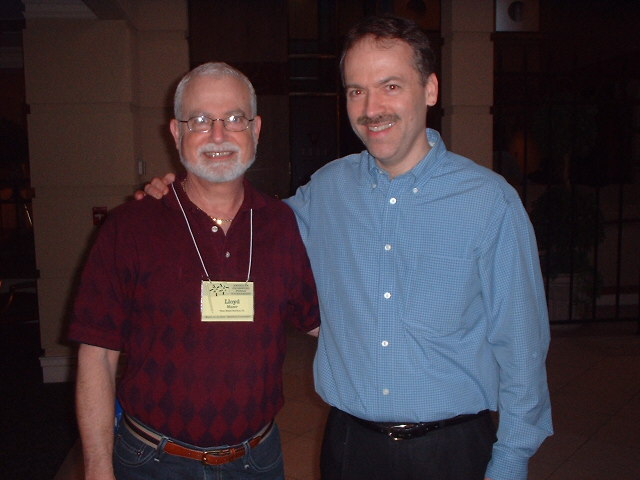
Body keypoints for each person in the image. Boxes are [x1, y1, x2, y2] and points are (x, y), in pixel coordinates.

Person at [142, 15, 553, 480]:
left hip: (453, 451)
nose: (371, 107)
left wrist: (512, 458)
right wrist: (178, 194)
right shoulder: (328, 189)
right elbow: (249, 223)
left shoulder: (488, 202)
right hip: (350, 447)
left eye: (391, 86)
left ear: (431, 90)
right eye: (357, 90)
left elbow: (521, 344)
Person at [69, 62, 320, 480]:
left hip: (258, 460)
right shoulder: (130, 228)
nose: (218, 135)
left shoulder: (281, 224)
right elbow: (97, 355)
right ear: (176, 132)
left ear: (256, 129)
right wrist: (98, 468)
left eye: (234, 119)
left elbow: (318, 322)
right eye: (200, 120)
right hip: (153, 461)